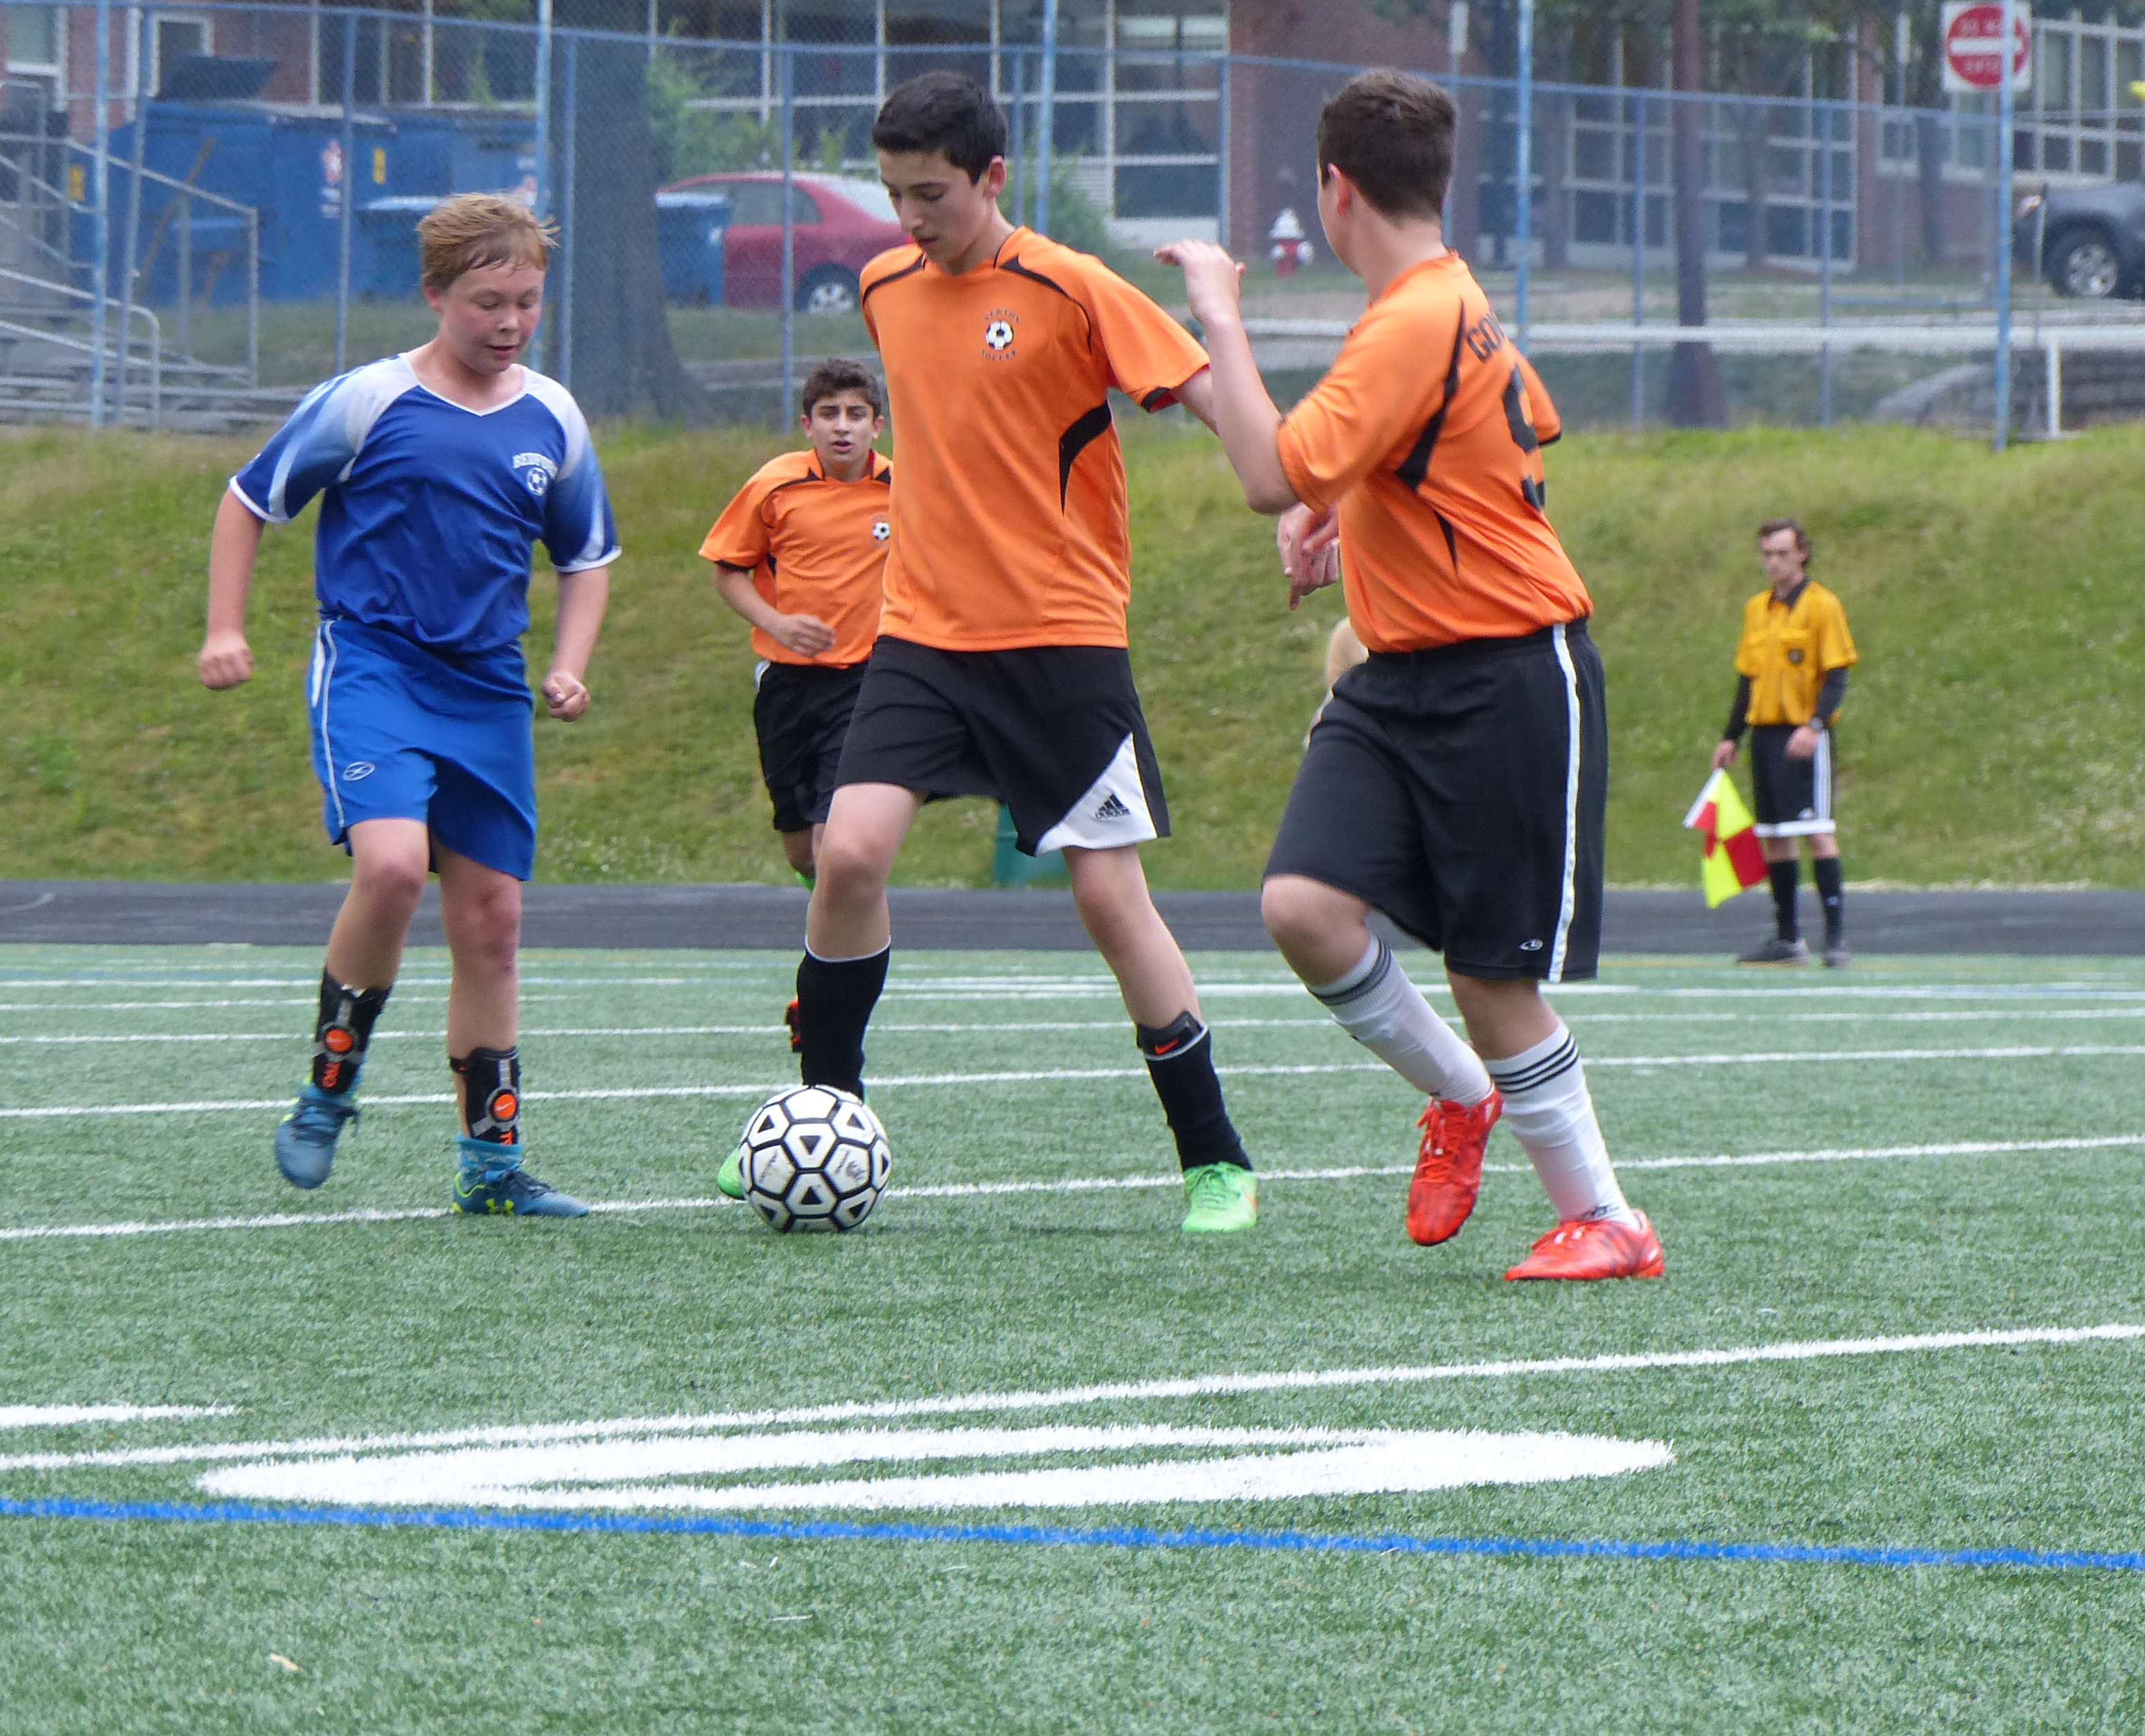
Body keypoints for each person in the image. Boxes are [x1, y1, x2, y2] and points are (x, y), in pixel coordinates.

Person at [721, 70, 1263, 1236]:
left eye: (933, 194)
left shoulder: (1072, 285)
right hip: (922, 635)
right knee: (847, 855)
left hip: (1061, 640)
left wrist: (1300, 500)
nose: (911, 217)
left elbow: (1204, 391)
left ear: (993, 177)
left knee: (1109, 896)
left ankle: (1214, 1156)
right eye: (894, 194)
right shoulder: (884, 288)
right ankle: (823, 1113)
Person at [1160, 66, 1663, 1282]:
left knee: (1492, 980)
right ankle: (1459, 1094)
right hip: (1396, 673)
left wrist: (1218, 316)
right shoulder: (1447, 296)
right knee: (1303, 908)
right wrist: (1350, 501)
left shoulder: (1413, 318)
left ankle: (1608, 1219)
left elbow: (1266, 474)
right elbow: (1501, 428)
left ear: (1334, 189)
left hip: (1508, 674)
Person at [198, 194, 617, 1218]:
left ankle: (492, 1168)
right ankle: (328, 1091)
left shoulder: (553, 416)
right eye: (487, 303)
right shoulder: (368, 400)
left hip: (488, 690)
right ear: (435, 295)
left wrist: (570, 664)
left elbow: (587, 556)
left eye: (526, 302)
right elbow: (249, 502)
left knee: (493, 923)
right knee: (389, 867)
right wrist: (224, 628)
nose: (510, 322)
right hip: (375, 668)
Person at [699, 358, 893, 884]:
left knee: (838, 843)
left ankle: (849, 928)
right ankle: (830, 912)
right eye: (829, 414)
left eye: (856, 414)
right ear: (808, 425)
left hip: (865, 681)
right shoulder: (776, 485)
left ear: (877, 425)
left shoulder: (902, 489)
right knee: (802, 851)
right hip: (786, 685)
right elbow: (728, 571)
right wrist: (777, 624)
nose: (842, 427)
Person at [1711, 517, 1857, 967]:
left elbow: (1836, 673)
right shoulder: (1758, 609)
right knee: (1774, 835)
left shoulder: (1822, 605)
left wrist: (1814, 726)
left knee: (1817, 832)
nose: (1773, 563)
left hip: (1803, 735)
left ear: (1802, 554)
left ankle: (1835, 937)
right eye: (1767, 555)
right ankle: (1788, 938)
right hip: (1766, 733)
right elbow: (1748, 679)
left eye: (1782, 554)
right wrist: (1732, 736)